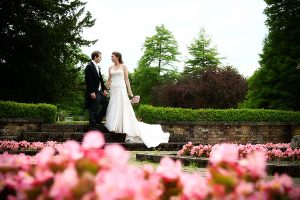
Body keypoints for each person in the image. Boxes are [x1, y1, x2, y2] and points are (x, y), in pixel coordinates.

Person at [105, 52, 169, 148]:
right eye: (111, 56)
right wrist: (105, 89)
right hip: (113, 89)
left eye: (112, 56)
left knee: (122, 106)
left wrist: (130, 91)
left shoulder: (124, 67)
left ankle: (123, 125)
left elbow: (126, 79)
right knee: (114, 105)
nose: (111, 58)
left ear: (117, 57)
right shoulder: (110, 68)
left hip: (122, 88)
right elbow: (109, 80)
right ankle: (115, 126)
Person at [85, 51, 109, 130]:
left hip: (99, 92)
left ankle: (98, 120)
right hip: (94, 92)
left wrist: (104, 89)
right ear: (95, 57)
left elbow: (101, 80)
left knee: (107, 104)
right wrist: (92, 92)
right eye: (100, 57)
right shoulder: (89, 66)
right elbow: (88, 80)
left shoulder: (97, 67)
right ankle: (92, 126)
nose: (101, 59)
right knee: (94, 108)